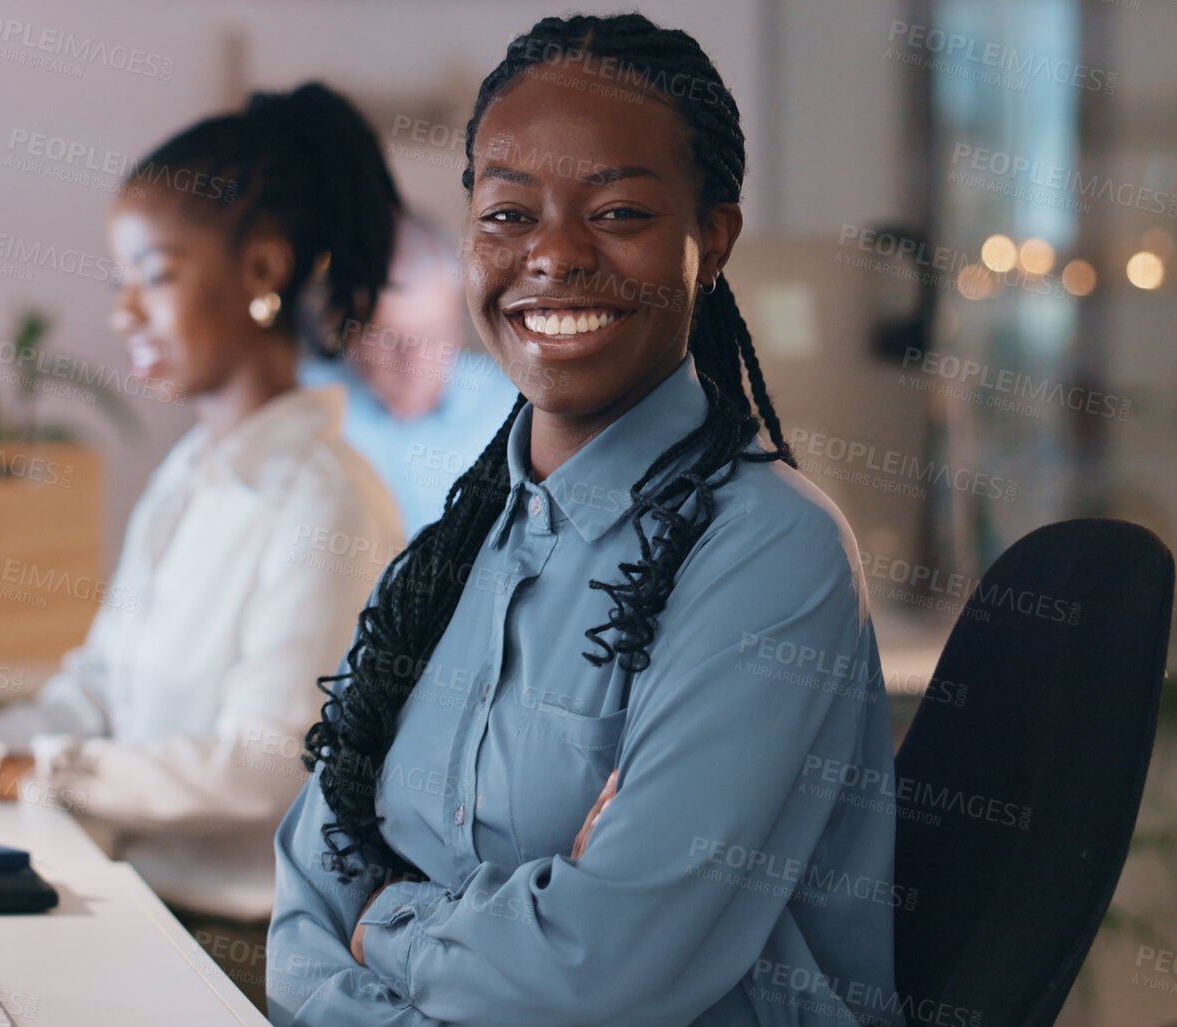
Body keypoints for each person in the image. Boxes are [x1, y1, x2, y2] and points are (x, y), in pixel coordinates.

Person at [267, 14, 900, 1027]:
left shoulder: (771, 552)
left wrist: (387, 924)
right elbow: (307, 897)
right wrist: (456, 937)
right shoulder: (459, 544)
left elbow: (601, 975)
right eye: (509, 214)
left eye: (617, 211)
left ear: (714, 240)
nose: (553, 256)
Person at [0, 82, 406, 1009]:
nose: (125, 312)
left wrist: (2, 773)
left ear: (260, 270)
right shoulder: (188, 477)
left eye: (155, 274)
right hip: (149, 902)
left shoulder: (325, 499)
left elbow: (257, 764)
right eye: (118, 280)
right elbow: (96, 690)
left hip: (244, 949)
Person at [299, 211, 519, 535]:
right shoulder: (303, 405)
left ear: (459, 327)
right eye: (392, 339)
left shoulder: (513, 413)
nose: (414, 362)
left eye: (434, 335)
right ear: (351, 333)